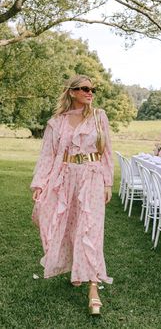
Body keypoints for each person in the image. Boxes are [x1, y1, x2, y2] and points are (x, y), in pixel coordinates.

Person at [30, 74, 114, 315]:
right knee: (66, 226)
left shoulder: (99, 117)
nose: (90, 93)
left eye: (92, 89)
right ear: (72, 92)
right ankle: (75, 268)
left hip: (92, 177)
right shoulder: (57, 122)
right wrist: (40, 184)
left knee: (91, 230)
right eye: (85, 88)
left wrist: (108, 182)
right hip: (65, 178)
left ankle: (93, 288)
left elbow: (106, 152)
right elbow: (47, 155)